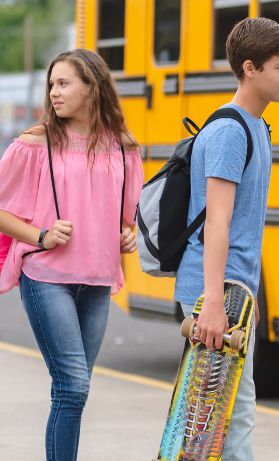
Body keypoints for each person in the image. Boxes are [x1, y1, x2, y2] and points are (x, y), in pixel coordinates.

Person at [0, 48, 142, 461]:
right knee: (73, 385)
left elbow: (127, 215)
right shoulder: (34, 144)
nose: (54, 92)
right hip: (46, 277)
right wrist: (40, 235)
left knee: (74, 391)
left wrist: (126, 234)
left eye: (64, 83)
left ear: (91, 87)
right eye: (52, 84)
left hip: (96, 280)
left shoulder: (123, 147)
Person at [172, 17, 279, 460]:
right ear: (250, 68)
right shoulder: (230, 132)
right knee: (227, 419)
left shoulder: (256, 127)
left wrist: (249, 292)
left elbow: (242, 224)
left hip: (232, 291)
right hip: (216, 293)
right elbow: (217, 224)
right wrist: (213, 303)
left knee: (215, 421)